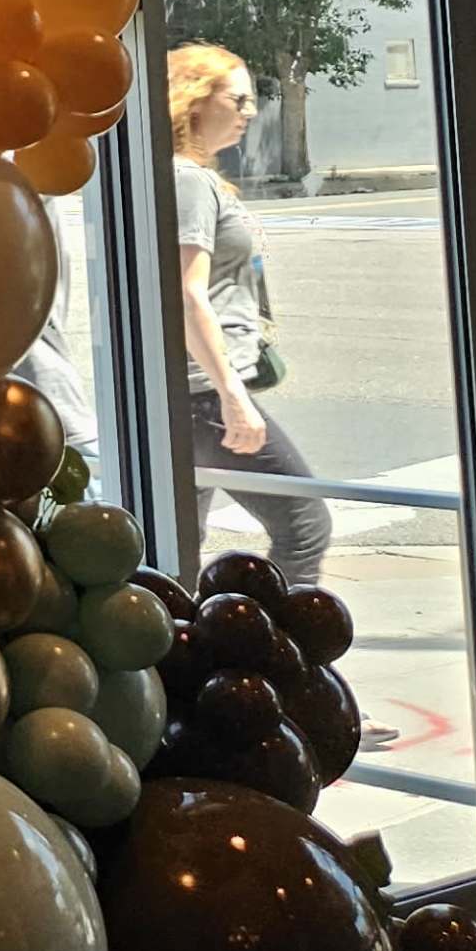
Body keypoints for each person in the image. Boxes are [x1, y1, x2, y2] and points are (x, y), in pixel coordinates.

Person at [166, 43, 335, 592]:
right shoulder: (188, 182)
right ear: (194, 102)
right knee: (305, 526)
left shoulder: (193, 178)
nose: (249, 112)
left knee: (177, 549)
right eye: (237, 99)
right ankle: (291, 653)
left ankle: (185, 657)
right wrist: (233, 395)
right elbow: (189, 296)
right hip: (207, 395)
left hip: (194, 395)